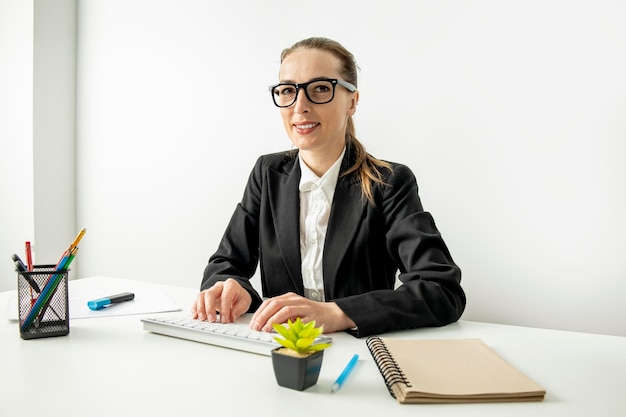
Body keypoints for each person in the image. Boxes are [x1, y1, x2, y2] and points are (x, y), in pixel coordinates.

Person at [192, 37, 465, 338]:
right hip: (279, 353)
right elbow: (225, 264)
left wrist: (338, 313)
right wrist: (233, 288)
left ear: (352, 101)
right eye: (287, 90)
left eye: (320, 88)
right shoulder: (267, 173)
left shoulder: (389, 182)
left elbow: (442, 290)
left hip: (359, 354)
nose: (300, 106)